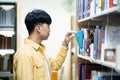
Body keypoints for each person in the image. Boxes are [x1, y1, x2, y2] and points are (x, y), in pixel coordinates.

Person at [13, 9, 73, 80]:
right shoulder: (24, 54)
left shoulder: (40, 51)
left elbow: (55, 65)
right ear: (38, 28)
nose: (50, 30)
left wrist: (65, 43)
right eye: (48, 26)